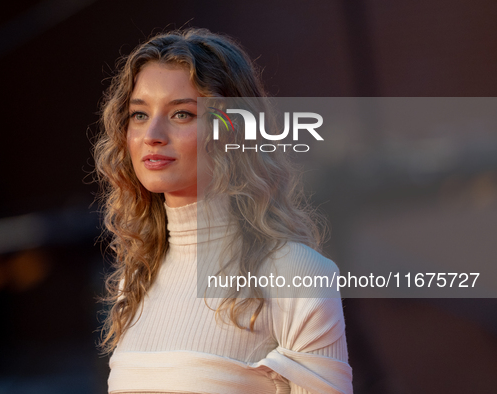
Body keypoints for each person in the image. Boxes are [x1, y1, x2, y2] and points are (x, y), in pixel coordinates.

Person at [93, 27, 352, 394]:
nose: (153, 133)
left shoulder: (296, 274)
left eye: (181, 114)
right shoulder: (134, 282)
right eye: (138, 114)